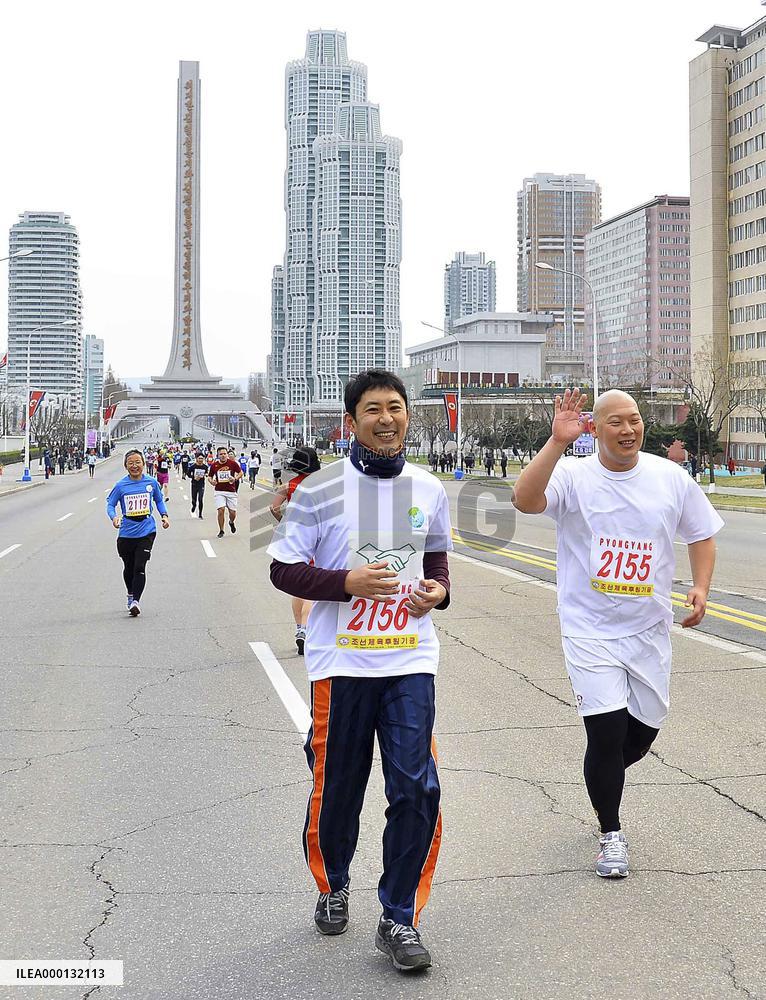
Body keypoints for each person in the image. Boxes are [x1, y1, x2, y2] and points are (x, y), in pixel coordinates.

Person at [268, 368, 453, 973]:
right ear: (351, 422)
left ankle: (399, 916)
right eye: (372, 408)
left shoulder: (428, 488)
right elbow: (284, 571)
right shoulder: (317, 491)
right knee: (337, 790)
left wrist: (436, 594)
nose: (386, 418)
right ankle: (334, 883)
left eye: (395, 407)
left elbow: (438, 565)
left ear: (407, 415)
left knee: (417, 789)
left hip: (409, 660)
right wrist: (345, 583)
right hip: (341, 664)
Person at [512, 388, 723, 878]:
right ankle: (611, 833)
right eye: (615, 423)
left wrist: (701, 589)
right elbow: (525, 500)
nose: (628, 430)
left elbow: (702, 534)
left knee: (641, 736)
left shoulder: (669, 477)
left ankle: (601, 779)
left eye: (634, 420)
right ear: (595, 428)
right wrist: (555, 444)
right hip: (589, 628)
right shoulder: (572, 474)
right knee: (605, 734)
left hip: (647, 628)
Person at [269, 447, 322, 654]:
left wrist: (285, 523)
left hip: (293, 537)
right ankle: (307, 628)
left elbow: (273, 508)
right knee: (313, 585)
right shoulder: (322, 485)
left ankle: (299, 627)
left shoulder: (289, 485)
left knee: (299, 584)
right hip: (316, 537)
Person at [106, 449, 170, 616]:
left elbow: (158, 500)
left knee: (140, 566)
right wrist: (114, 518)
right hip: (126, 532)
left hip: (147, 529)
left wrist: (164, 516)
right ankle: (130, 593)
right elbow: (110, 505)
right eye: (131, 463)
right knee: (129, 567)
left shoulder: (151, 482)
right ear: (126, 466)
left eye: (137, 462)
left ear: (143, 463)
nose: (135, 466)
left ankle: (136, 601)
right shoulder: (121, 486)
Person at [209, 445, 242, 538]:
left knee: (233, 513)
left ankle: (231, 522)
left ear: (227, 454)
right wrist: (212, 481)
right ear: (218, 455)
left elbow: (241, 473)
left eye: (224, 454)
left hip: (231, 491)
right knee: (221, 510)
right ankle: (221, 530)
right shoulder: (214, 465)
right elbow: (209, 476)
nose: (223, 455)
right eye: (221, 454)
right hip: (219, 491)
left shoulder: (232, 463)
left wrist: (235, 478)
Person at [189, 452, 208, 518]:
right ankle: (194, 505)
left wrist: (206, 475)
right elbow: (188, 474)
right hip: (194, 484)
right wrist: (193, 477)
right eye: (199, 458)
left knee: (200, 499)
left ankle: (200, 514)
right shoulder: (193, 466)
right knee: (194, 499)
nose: (200, 460)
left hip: (201, 485)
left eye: (202, 458)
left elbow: (206, 473)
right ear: (196, 459)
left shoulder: (205, 467)